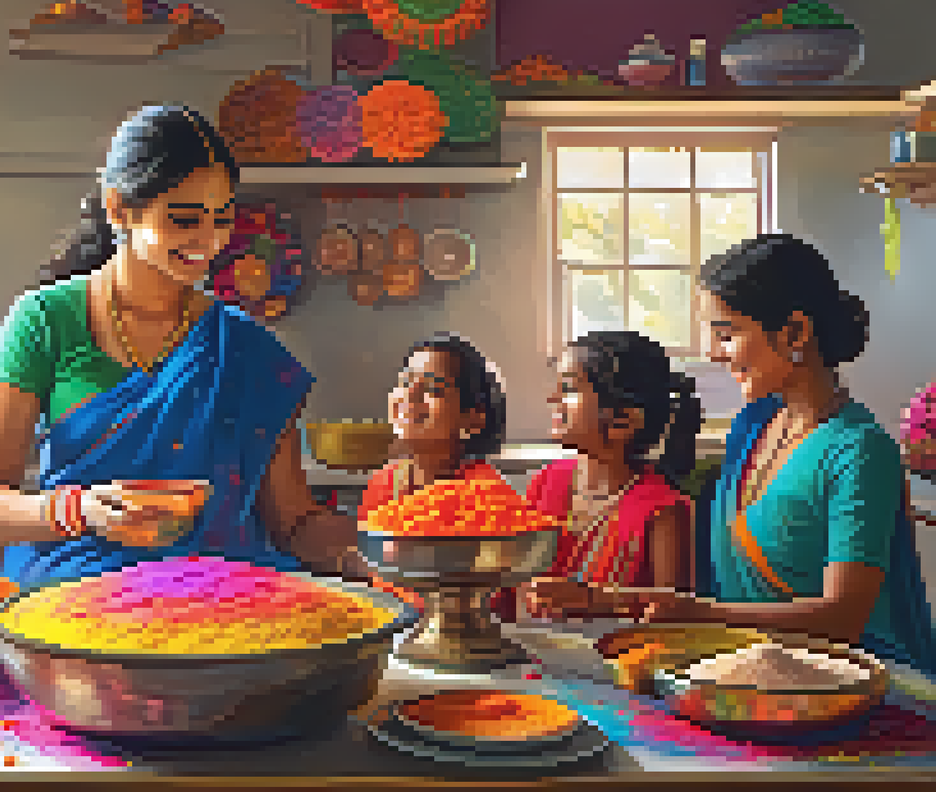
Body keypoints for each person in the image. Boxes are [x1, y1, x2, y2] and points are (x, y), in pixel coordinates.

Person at [0, 104, 365, 590]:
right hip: (77, 595)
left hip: (221, 594)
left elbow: (294, 524)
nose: (209, 240)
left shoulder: (242, 345)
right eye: (183, 220)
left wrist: (378, 550)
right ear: (119, 209)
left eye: (221, 219)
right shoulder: (45, 321)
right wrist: (82, 510)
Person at [525, 234, 936, 677]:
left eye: (727, 334)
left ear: (795, 332)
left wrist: (690, 612)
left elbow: (840, 620)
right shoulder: (753, 425)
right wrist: (600, 599)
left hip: (851, 692)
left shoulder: (859, 451)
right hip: (744, 677)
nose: (712, 352)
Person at [517, 331, 702, 620]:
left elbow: (673, 615)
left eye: (568, 387)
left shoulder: (664, 510)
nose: (552, 398)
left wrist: (595, 599)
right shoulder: (544, 482)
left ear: (622, 421)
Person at [357, 332, 510, 523]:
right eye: (405, 382)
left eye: (433, 388)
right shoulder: (383, 482)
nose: (410, 394)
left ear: (473, 419)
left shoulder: (489, 497)